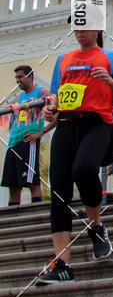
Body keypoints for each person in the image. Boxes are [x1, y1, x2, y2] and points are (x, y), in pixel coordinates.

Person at [36, 6, 113, 285]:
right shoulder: (63, 60)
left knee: (84, 169)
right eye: (76, 27)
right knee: (59, 193)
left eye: (85, 25)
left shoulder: (111, 57)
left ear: (98, 27)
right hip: (66, 126)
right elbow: (56, 98)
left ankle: (96, 226)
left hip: (97, 125)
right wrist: (50, 111)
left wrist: (109, 80)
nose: (80, 32)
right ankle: (62, 264)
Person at [1, 65, 50, 206]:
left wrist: (41, 132)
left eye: (21, 77)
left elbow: (57, 112)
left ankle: (37, 213)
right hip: (13, 143)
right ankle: (12, 217)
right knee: (13, 185)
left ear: (30, 76)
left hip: (27, 141)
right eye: (16, 78)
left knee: (31, 181)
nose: (18, 80)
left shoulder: (41, 92)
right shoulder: (21, 97)